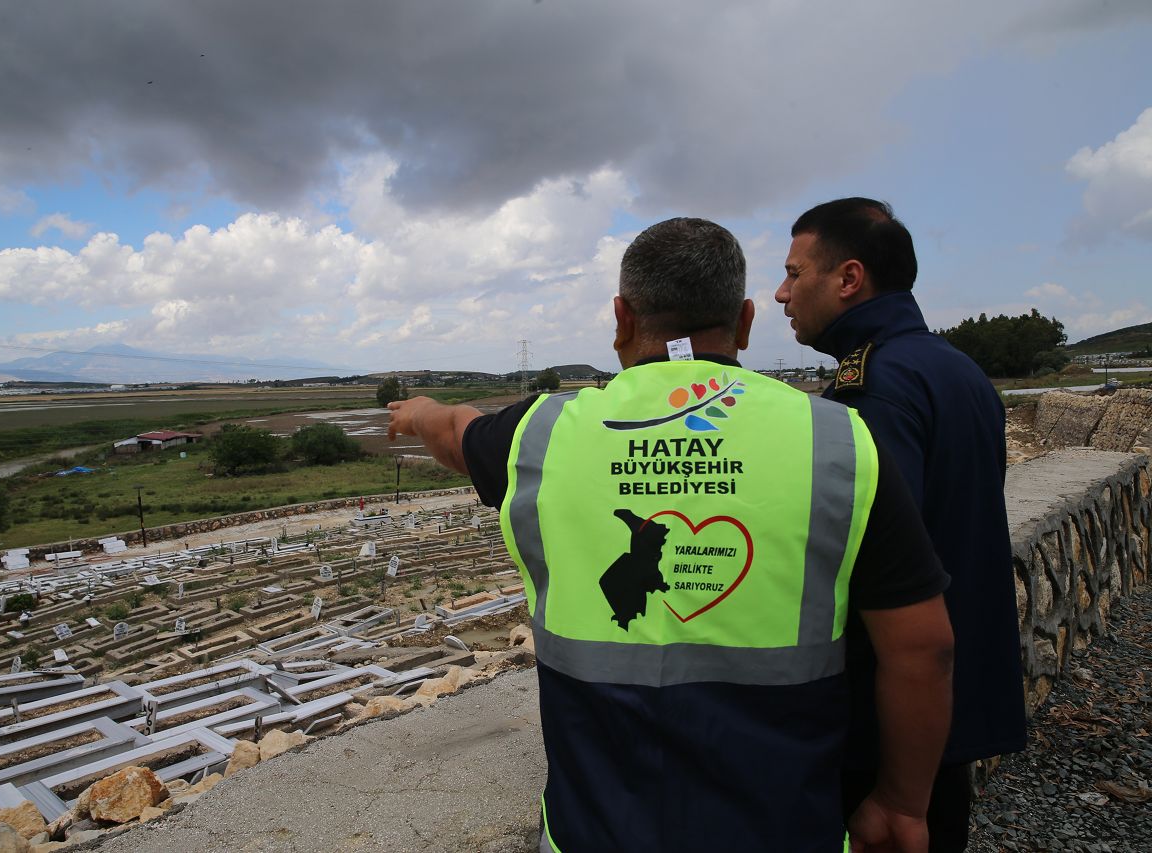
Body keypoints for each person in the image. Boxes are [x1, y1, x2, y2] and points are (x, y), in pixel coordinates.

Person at [389, 217, 954, 852]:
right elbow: (923, 649)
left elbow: (457, 431)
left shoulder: (541, 435)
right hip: (785, 830)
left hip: (591, 834)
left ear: (621, 318)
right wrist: (903, 804)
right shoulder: (838, 440)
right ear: (744, 321)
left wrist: (416, 414)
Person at [775, 198, 1027, 851]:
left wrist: (895, 791)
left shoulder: (875, 386)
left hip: (886, 731)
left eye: (794, 273)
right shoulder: (954, 368)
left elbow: (885, 572)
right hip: (941, 712)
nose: (781, 293)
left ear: (848, 278)